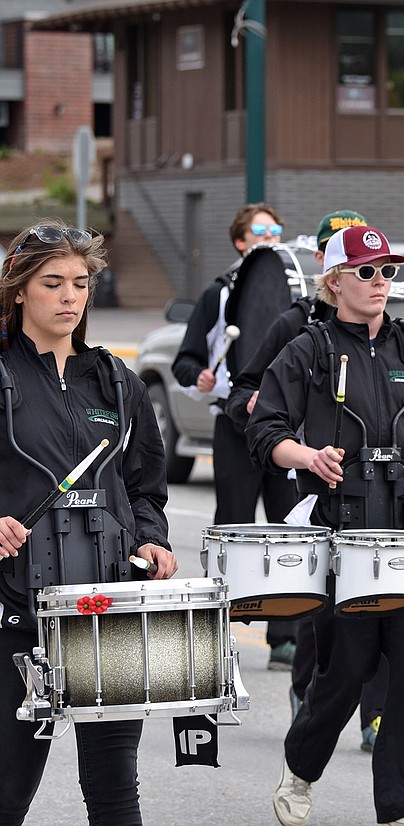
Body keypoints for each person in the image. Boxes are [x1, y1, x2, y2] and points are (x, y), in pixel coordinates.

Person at [226, 210, 404, 750]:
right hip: (336, 526)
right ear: (334, 282)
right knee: (343, 671)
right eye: (367, 272)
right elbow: (264, 431)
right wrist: (308, 458)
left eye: (388, 272)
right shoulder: (307, 347)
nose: (381, 283)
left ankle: (403, 803)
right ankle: (303, 763)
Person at [0, 220, 178, 824]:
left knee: (114, 792)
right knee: (6, 791)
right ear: (19, 289)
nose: (70, 297)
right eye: (53, 283)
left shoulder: (118, 382)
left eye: (81, 283)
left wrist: (153, 540)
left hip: (109, 609)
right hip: (17, 612)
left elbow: (143, 485)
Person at [172, 202, 301, 669]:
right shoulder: (219, 294)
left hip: (285, 424)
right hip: (235, 423)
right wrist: (200, 377)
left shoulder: (295, 291)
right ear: (240, 241)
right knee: (234, 527)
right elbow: (183, 360)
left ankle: (285, 637)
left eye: (276, 229)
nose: (270, 236)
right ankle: (219, 633)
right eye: (260, 230)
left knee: (291, 530)